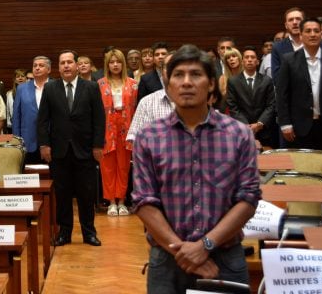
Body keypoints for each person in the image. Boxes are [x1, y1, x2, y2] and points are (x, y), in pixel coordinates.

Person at [132, 45, 261, 293]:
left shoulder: (238, 134)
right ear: (168, 85)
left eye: (196, 75)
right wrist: (184, 250)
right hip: (168, 258)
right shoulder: (149, 136)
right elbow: (143, 202)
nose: (187, 82)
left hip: (224, 258)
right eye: (178, 75)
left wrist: (205, 245)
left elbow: (248, 199)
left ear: (211, 84)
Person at [38, 50, 105, 247]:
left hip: (85, 150)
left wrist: (98, 145)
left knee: (87, 194)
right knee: (63, 194)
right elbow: (43, 120)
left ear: (77, 65)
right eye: (62, 63)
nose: (66, 66)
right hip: (58, 151)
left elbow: (99, 120)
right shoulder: (50, 88)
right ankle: (64, 233)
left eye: (69, 62)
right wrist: (44, 144)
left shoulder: (91, 87)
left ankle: (89, 233)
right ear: (58, 67)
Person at [276, 18, 322, 151]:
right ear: (301, 35)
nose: (313, 34)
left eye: (316, 31)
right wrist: (285, 123)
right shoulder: (288, 60)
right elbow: (282, 95)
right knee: (303, 168)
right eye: (308, 31)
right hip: (299, 126)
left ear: (321, 34)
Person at [97, 49, 138, 216]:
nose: (115, 65)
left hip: (126, 127)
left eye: (118, 61)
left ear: (123, 64)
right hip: (107, 127)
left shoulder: (133, 84)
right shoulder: (100, 84)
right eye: (112, 62)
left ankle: (122, 201)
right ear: (107, 65)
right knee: (107, 167)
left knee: (123, 166)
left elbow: (136, 109)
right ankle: (111, 201)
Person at [226, 46, 277, 148]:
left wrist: (259, 124)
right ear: (242, 61)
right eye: (247, 57)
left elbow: (271, 105)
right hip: (241, 129)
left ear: (257, 62)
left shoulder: (266, 80)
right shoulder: (233, 81)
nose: (249, 60)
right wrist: (246, 125)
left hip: (264, 130)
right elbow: (233, 106)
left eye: (252, 57)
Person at [13, 57, 51, 164]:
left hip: (52, 142)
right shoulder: (22, 88)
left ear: (49, 69)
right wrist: (17, 142)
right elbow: (16, 117)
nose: (37, 68)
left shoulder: (56, 86)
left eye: (41, 65)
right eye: (35, 66)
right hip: (28, 142)